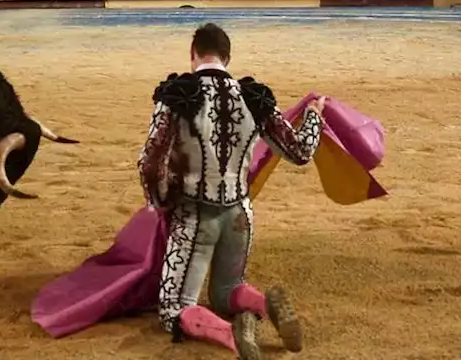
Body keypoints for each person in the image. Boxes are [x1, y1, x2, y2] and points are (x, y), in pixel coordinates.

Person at [138, 23, 325, 359]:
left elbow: (150, 163)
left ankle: (230, 334)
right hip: (240, 214)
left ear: (193, 54)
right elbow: (299, 152)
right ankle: (264, 305)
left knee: (173, 308)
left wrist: (161, 202)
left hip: (195, 217)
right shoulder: (253, 98)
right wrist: (314, 118)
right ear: (227, 57)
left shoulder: (179, 96)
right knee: (227, 290)